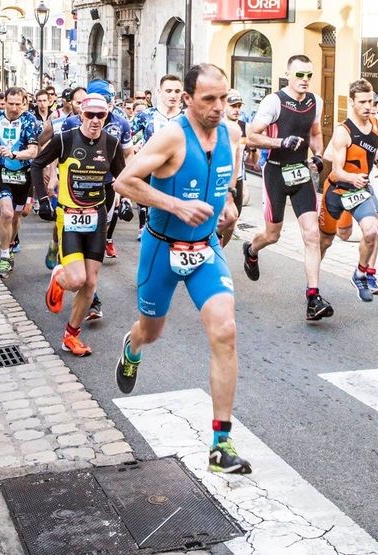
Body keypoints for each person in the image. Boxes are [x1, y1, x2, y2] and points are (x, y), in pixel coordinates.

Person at [113, 63, 250, 474]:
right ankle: (131, 347)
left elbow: (223, 179)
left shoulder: (232, 133)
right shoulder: (172, 135)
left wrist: (227, 206)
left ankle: (220, 443)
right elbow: (124, 182)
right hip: (162, 249)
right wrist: (176, 205)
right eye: (209, 99)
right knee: (151, 332)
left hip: (205, 248)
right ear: (188, 99)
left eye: (224, 98)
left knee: (225, 330)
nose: (218, 107)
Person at [30, 94, 126, 356]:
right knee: (76, 280)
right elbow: (37, 165)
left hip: (97, 218)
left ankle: (70, 336)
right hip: (70, 217)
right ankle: (59, 279)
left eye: (101, 115)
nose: (95, 120)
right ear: (81, 114)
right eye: (90, 115)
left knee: (90, 283)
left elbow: (122, 177)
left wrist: (126, 200)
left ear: (107, 116)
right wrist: (42, 200)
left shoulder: (112, 143)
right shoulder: (66, 138)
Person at [243, 54, 331, 321]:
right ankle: (251, 250)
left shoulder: (316, 101)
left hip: (301, 173)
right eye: (299, 75)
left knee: (312, 235)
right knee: (272, 235)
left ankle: (313, 297)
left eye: (309, 76)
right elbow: (252, 135)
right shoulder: (274, 102)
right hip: (276, 174)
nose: (304, 80)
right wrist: (282, 142)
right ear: (288, 75)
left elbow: (315, 133)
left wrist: (318, 155)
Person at [318, 80, 378, 301]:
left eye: (370, 101)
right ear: (352, 102)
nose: (368, 106)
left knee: (372, 231)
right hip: (337, 190)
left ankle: (361, 274)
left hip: (360, 191)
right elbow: (337, 170)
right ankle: (313, 283)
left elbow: (374, 150)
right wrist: (352, 177)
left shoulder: (377, 124)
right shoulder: (343, 131)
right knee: (328, 240)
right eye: (362, 102)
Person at [65, 79, 133, 261]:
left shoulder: (122, 123)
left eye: (108, 98)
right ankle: (60, 242)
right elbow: (58, 153)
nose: (105, 103)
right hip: (77, 182)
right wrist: (54, 178)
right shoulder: (71, 122)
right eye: (101, 98)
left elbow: (128, 154)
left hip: (108, 182)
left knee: (103, 223)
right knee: (72, 224)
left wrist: (123, 184)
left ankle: (91, 263)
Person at [0, 87, 41, 277]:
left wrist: (14, 154)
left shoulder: (29, 120)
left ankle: (10, 244)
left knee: (17, 216)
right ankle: (3, 255)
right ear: (5, 102)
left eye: (18, 104)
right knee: (7, 214)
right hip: (2, 171)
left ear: (24, 103)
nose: (14, 108)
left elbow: (34, 151)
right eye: (11, 103)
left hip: (23, 172)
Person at [130, 74, 184, 240]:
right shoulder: (146, 115)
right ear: (159, 92)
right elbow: (126, 137)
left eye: (177, 91)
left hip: (178, 170)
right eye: (168, 91)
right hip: (150, 168)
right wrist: (133, 148)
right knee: (148, 202)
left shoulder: (187, 117)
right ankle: (144, 227)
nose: (173, 95)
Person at [40, 86, 87, 271]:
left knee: (89, 227)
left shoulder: (97, 120)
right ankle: (57, 245)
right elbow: (44, 143)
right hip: (65, 180)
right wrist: (51, 174)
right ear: (70, 103)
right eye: (78, 102)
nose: (82, 106)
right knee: (65, 221)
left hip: (91, 182)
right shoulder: (60, 123)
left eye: (85, 102)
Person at [217, 90, 246, 248]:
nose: (237, 109)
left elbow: (242, 155)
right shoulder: (218, 126)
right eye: (233, 105)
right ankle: (210, 246)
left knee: (232, 221)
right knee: (224, 218)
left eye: (239, 106)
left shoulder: (243, 126)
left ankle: (218, 250)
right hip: (222, 180)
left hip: (238, 180)